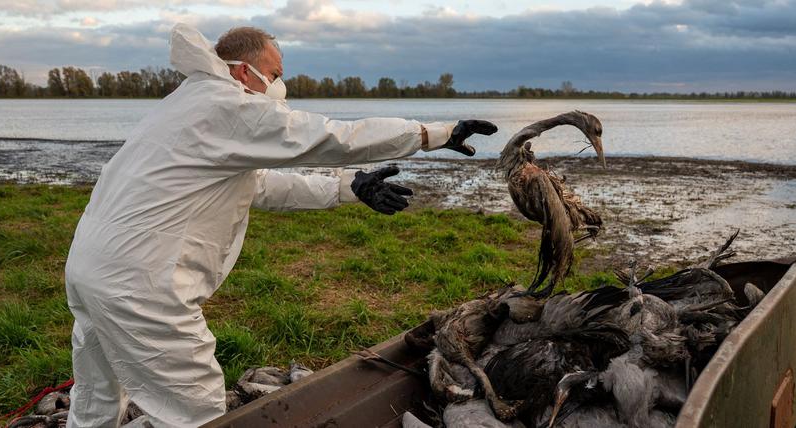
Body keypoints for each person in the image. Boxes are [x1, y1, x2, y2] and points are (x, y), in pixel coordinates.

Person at [63, 23, 497, 427]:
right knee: (194, 410)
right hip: (142, 284)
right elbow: (331, 137)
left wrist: (350, 187)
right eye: (274, 73)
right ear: (242, 70)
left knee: (96, 395)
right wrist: (432, 134)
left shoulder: (187, 103)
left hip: (90, 270)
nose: (278, 84)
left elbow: (256, 186)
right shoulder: (226, 104)